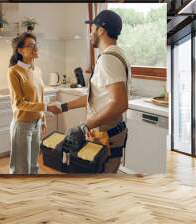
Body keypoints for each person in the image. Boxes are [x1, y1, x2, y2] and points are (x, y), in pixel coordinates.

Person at [52, 10, 131, 173]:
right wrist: (64, 106)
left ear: (101, 30)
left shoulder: (108, 60)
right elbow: (96, 96)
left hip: (106, 133)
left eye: (92, 28)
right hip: (107, 132)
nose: (90, 33)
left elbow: (120, 103)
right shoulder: (116, 54)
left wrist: (84, 126)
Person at [7, 32, 59, 174]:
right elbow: (18, 103)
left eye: (36, 45)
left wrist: (42, 118)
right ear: (20, 50)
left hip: (36, 124)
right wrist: (46, 107)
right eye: (30, 45)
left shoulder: (37, 70)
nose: (35, 48)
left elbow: (39, 96)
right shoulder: (14, 72)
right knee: (21, 169)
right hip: (22, 125)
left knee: (34, 165)